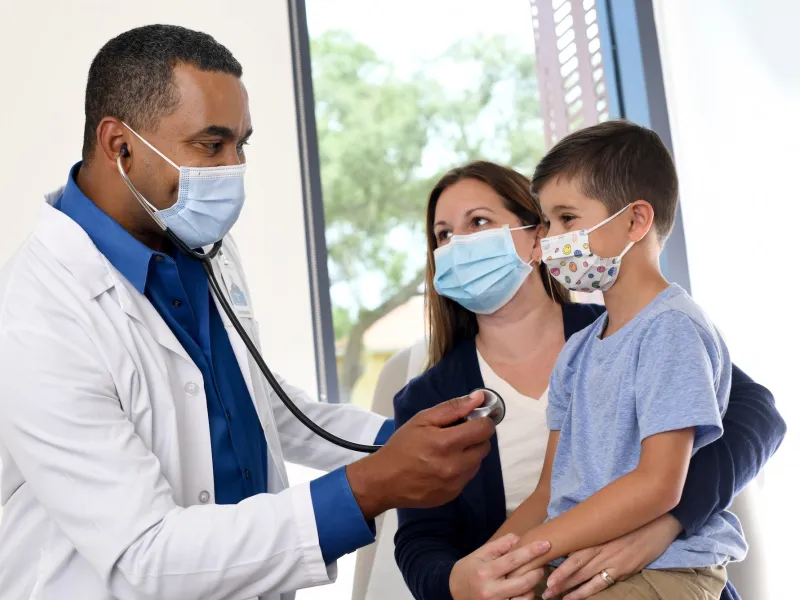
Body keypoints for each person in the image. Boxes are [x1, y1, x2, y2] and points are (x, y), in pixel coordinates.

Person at [0, 25, 502, 600]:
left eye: (242, 144)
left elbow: (259, 405)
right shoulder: (37, 312)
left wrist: (400, 439)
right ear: (121, 146)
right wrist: (367, 488)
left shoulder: (201, 245)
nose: (233, 168)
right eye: (211, 145)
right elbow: (146, 553)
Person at [393, 159, 786, 600]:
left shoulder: (636, 328)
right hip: (542, 578)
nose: (458, 245)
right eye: (443, 235)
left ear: (538, 235)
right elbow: (421, 540)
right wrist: (470, 580)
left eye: (479, 222)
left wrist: (665, 523)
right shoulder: (425, 399)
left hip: (657, 570)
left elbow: (758, 415)